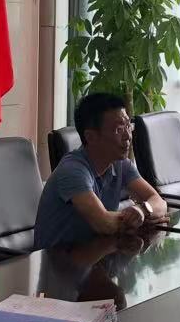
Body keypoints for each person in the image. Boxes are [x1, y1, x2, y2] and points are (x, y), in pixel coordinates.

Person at [32, 92, 168, 249]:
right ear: (91, 137)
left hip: (97, 252)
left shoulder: (121, 164)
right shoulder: (72, 171)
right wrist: (141, 219)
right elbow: (104, 223)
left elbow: (158, 201)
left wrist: (143, 210)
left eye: (128, 126)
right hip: (58, 259)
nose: (128, 136)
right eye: (118, 129)